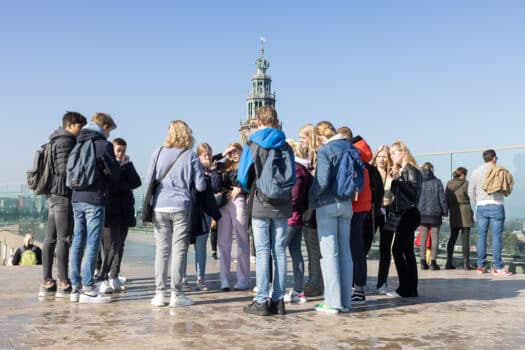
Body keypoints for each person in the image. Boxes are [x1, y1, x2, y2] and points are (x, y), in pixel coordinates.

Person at [238, 106, 295, 316]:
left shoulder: (252, 143)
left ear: (259, 121)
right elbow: (293, 177)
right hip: (282, 202)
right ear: (276, 121)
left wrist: (252, 187)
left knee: (262, 251)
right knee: (279, 250)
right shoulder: (287, 146)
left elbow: (242, 176)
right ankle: (278, 301)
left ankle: (261, 300)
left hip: (261, 201)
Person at [148, 120, 206, 307]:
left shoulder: (157, 152)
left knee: (162, 250)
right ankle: (176, 294)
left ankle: (159, 293)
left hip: (159, 206)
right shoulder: (190, 155)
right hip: (181, 206)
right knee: (180, 250)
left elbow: (149, 179)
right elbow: (200, 186)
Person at [69, 113, 120, 304]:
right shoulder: (103, 144)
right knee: (92, 242)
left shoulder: (79, 142)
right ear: (104, 126)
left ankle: (75, 288)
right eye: (109, 130)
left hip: (76, 197)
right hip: (94, 199)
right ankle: (89, 288)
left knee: (77, 241)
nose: (109, 134)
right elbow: (115, 173)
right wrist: (107, 173)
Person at [308, 121, 355, 314]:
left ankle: (332, 302)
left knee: (329, 254)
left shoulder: (326, 149)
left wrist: (312, 197)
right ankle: (345, 302)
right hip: (347, 203)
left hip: (327, 204)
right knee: (345, 252)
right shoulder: (350, 147)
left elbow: (322, 181)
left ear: (320, 137)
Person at [39, 111, 87, 298]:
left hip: (52, 195)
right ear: (70, 125)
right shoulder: (66, 142)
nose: (80, 131)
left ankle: (47, 281)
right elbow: (64, 170)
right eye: (79, 127)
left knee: (50, 239)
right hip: (62, 195)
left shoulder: (54, 140)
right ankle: (63, 282)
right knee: (63, 238)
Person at [99, 138, 142, 293]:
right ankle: (103, 277)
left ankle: (114, 275)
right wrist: (126, 185)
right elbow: (112, 185)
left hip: (125, 211)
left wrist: (128, 166)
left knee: (120, 245)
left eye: (123, 150)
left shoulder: (127, 165)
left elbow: (137, 182)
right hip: (110, 211)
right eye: (118, 150)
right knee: (110, 246)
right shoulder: (106, 164)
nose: (121, 153)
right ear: (112, 150)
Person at [337, 126, 372, 305]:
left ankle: (357, 288)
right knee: (356, 248)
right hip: (363, 204)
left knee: (354, 249)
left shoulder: (351, 151)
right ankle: (357, 286)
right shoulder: (362, 151)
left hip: (353, 204)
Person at [184, 143, 222, 291]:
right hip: (190, 211)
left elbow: (217, 188)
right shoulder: (191, 169)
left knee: (201, 248)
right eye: (204, 154)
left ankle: (201, 278)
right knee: (184, 247)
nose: (208, 157)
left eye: (209, 154)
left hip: (205, 213)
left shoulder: (213, 171)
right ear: (198, 156)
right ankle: (183, 276)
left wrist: (213, 171)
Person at [468, 149, 512, 276]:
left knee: (481, 236)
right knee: (496, 237)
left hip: (481, 206)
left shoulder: (476, 171)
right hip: (496, 205)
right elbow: (506, 188)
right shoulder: (500, 170)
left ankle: (481, 266)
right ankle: (497, 267)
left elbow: (471, 191)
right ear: (493, 158)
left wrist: (477, 203)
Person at [388, 140, 422, 298]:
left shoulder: (411, 170)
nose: (391, 156)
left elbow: (414, 194)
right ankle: (411, 289)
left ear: (403, 152)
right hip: (405, 213)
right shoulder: (403, 170)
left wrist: (398, 181)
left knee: (397, 249)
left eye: (394, 153)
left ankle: (404, 288)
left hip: (409, 213)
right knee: (407, 252)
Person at [215, 142, 250, 291]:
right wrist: (224, 153)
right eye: (231, 153)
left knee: (242, 240)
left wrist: (241, 188)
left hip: (239, 201)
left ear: (242, 151)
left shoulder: (247, 164)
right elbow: (211, 164)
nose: (233, 155)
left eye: (236, 151)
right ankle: (224, 279)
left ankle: (243, 279)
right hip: (224, 203)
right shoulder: (225, 166)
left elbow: (253, 181)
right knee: (223, 242)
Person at [283, 139, 312, 304]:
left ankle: (277, 289)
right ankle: (299, 291)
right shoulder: (303, 170)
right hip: (298, 217)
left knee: (278, 252)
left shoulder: (296, 170)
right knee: (296, 254)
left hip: (290, 217)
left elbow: (293, 197)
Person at [298, 124, 324, 297]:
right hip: (313, 208)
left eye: (303, 137)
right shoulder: (313, 156)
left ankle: (315, 283)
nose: (301, 141)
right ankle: (315, 280)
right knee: (313, 246)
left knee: (313, 246)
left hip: (312, 209)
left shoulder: (316, 157)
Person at [368, 145, 394, 295]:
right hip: (371, 212)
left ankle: (382, 283)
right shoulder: (370, 172)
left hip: (387, 213)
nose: (382, 159)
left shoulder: (393, 174)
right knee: (365, 245)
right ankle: (355, 282)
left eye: (385, 156)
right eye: (379, 156)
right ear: (375, 158)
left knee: (385, 249)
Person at [417, 162, 448, 270]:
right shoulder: (437, 181)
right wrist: (445, 212)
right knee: (435, 238)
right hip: (435, 213)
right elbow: (442, 198)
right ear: (432, 169)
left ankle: (422, 262)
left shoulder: (419, 180)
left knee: (423, 238)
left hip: (421, 213)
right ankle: (433, 262)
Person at [445, 167, 474, 270]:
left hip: (454, 211)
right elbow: (471, 196)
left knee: (452, 237)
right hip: (465, 210)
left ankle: (448, 262)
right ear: (462, 175)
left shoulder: (448, 185)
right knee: (465, 239)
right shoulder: (466, 184)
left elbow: (446, 199)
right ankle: (466, 264)